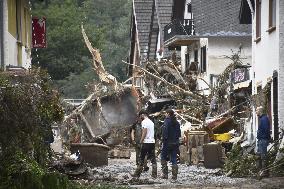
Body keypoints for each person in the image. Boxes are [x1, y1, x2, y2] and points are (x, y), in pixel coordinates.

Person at [132, 110, 157, 178]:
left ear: (142, 115)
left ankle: (137, 174)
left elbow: (144, 132)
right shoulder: (151, 122)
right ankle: (154, 175)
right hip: (152, 142)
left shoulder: (144, 122)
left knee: (141, 158)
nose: (140, 118)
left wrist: (141, 140)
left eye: (140, 116)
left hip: (146, 142)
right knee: (153, 159)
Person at [161, 109, 181, 180]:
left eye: (165, 113)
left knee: (163, 157)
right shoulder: (177, 122)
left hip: (167, 143)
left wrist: (163, 140)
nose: (165, 114)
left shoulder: (167, 121)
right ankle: (174, 176)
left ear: (168, 114)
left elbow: (165, 132)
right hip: (175, 143)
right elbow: (179, 134)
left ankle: (165, 174)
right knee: (174, 159)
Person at [256, 106, 270, 177]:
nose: (256, 112)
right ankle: (260, 171)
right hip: (260, 140)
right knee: (258, 156)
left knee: (263, 156)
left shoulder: (264, 119)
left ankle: (265, 172)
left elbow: (266, 130)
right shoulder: (262, 118)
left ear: (260, 111)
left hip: (263, 140)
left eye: (257, 110)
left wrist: (265, 139)